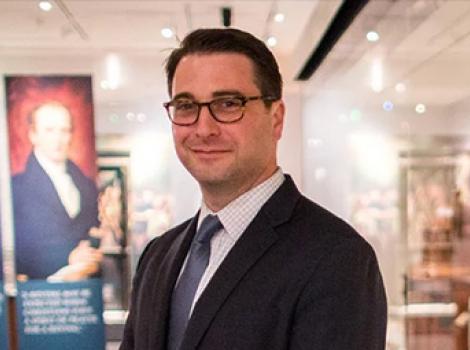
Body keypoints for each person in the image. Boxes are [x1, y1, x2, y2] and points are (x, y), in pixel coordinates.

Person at [121, 28, 387, 350]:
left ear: (276, 119)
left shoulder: (338, 259)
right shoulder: (158, 255)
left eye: (229, 104)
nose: (204, 129)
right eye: (186, 106)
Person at [12, 102, 102, 281]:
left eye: (64, 130)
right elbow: (16, 252)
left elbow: (92, 231)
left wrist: (90, 249)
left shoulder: (87, 185)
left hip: (85, 291)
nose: (58, 139)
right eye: (49, 130)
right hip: (39, 295)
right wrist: (68, 257)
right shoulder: (16, 188)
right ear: (33, 135)